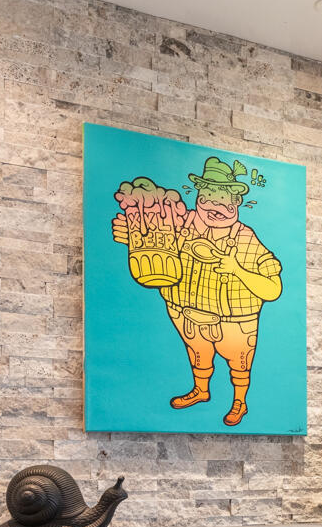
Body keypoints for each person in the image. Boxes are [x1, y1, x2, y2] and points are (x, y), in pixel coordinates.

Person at [111, 157, 282, 426]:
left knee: (239, 362)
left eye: (222, 199)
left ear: (235, 203)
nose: (214, 206)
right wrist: (130, 234)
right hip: (184, 310)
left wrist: (236, 268)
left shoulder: (245, 238)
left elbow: (272, 289)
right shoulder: (180, 224)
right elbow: (152, 240)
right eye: (208, 197)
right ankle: (201, 390)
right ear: (199, 197)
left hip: (234, 320)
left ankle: (240, 402)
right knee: (198, 352)